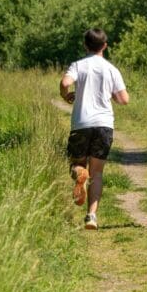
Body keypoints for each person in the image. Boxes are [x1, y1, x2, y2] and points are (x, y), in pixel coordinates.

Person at [60, 28, 129, 230]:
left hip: (81, 123)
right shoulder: (111, 69)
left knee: (76, 164)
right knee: (97, 173)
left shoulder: (79, 65)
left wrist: (66, 95)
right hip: (104, 125)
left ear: (85, 45)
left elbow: (65, 83)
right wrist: (113, 95)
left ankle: (80, 173)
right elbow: (124, 99)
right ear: (105, 46)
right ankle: (91, 216)